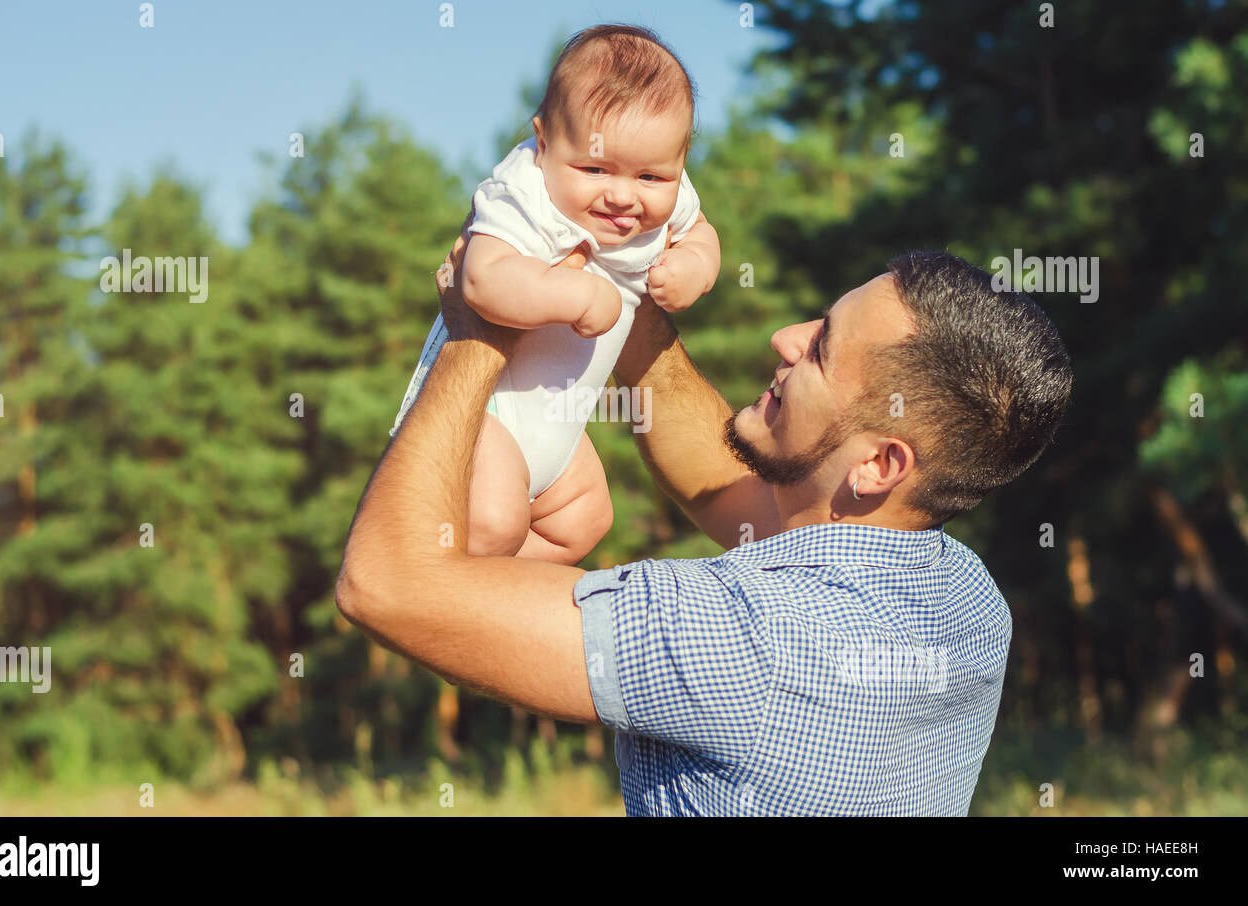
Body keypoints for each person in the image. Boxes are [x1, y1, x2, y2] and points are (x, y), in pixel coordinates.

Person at [338, 227, 1074, 815]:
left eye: (820, 350)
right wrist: (621, 290)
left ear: (880, 465)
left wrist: (475, 342)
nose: (787, 336)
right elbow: (728, 488)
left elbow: (388, 586)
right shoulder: (968, 601)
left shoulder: (740, 640)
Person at [389, 24, 720, 565]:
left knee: (586, 523)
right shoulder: (525, 194)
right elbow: (480, 278)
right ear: (543, 144)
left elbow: (701, 230)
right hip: (488, 413)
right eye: (594, 168)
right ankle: (432, 577)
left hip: (557, 430)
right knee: (495, 522)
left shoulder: (670, 192)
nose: (623, 195)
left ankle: (485, 600)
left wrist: (695, 264)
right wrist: (578, 296)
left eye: (652, 177)